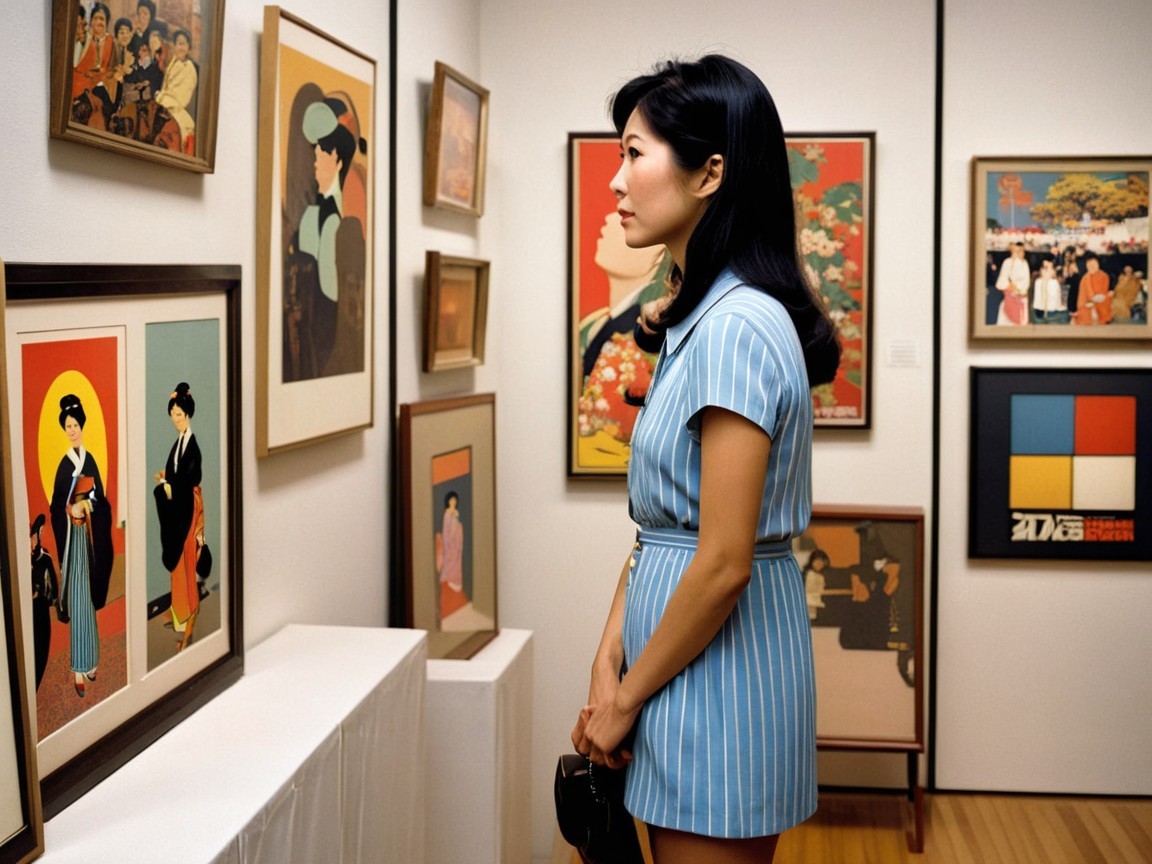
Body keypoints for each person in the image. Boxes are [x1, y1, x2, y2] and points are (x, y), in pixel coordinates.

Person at [571, 55, 840, 862]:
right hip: (674, 668)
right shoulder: (700, 320)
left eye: (634, 153)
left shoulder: (736, 329)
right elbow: (663, 528)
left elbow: (723, 562)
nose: (615, 180)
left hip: (718, 679)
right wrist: (608, 659)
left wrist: (626, 696)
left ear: (709, 174)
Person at [50, 395, 114, 698]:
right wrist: (69, 509)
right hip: (71, 541)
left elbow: (101, 500)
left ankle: (91, 661)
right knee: (77, 601)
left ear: (82, 426)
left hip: (89, 539)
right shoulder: (64, 465)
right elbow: (55, 506)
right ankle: (78, 667)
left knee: (88, 600)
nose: (72, 430)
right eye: (68, 426)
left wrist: (89, 504)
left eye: (75, 425)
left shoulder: (90, 461)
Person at [153, 383, 206, 651]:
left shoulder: (192, 446)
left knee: (186, 562)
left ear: (188, 415)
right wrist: (166, 479)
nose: (176, 419)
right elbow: (177, 474)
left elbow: (192, 478)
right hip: (177, 507)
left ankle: (188, 618)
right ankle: (179, 617)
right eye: (173, 414)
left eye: (180, 415)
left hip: (188, 509)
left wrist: (172, 487)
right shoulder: (179, 443)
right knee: (177, 566)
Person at [153, 28, 198, 153]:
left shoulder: (189, 68)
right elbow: (166, 87)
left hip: (176, 110)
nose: (180, 48)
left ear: (188, 47)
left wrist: (161, 98)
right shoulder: (173, 63)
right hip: (164, 106)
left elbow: (180, 98)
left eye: (183, 44)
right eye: (178, 43)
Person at [30, 514, 59, 690]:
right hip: (28, 614)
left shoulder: (44, 558)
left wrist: (53, 600)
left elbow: (53, 582)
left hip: (40, 610)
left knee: (40, 652)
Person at [994, 242, 1031, 325]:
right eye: (1016, 250)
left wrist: (1018, 288)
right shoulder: (1007, 262)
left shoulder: (1025, 264)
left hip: (1020, 297)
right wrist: (1009, 285)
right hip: (1008, 296)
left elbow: (1026, 283)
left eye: (1021, 250)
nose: (1019, 253)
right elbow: (1001, 281)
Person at [1072, 253, 1113, 325]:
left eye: (1094, 265)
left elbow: (1104, 291)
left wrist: (1103, 297)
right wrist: (1092, 300)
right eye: (1090, 266)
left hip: (1101, 300)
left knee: (1110, 296)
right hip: (1087, 302)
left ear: (1098, 265)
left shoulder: (1104, 276)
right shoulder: (1086, 278)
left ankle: (1103, 317)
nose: (1092, 267)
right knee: (1087, 315)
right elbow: (1087, 294)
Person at [438, 492, 464, 594]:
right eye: (451, 500)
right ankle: (449, 578)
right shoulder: (447, 514)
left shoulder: (456, 512)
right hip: (449, 541)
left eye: (454, 500)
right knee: (449, 560)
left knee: (456, 561)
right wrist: (448, 542)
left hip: (456, 542)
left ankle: (455, 580)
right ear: (448, 501)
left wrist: (458, 526)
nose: (453, 502)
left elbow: (458, 526)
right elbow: (446, 529)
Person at [1031, 257, 1068, 323]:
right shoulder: (1053, 282)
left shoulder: (1038, 281)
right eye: (1045, 268)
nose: (1052, 271)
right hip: (1049, 312)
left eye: (1050, 268)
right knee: (1065, 313)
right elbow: (1056, 304)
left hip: (1039, 312)